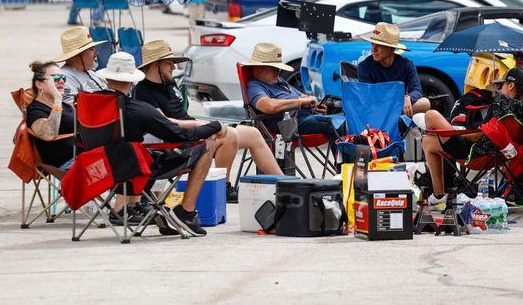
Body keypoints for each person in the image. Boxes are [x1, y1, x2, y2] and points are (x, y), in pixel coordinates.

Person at [133, 39, 283, 204]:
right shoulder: (143, 91)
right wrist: (201, 125)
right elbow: (163, 123)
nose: (174, 67)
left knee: (253, 134)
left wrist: (201, 124)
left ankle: (283, 185)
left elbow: (181, 115)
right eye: (169, 63)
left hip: (192, 129)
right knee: (229, 134)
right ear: (155, 65)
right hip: (176, 139)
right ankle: (223, 187)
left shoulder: (168, 82)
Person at [98, 52, 224, 237]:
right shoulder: (137, 109)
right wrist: (215, 126)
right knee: (206, 145)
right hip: (133, 170)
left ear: (108, 77)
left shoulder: (87, 103)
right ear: (131, 79)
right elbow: (177, 134)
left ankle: (158, 208)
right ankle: (185, 213)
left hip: (97, 168)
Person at [420, 67, 523, 209]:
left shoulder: (502, 106)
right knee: (428, 141)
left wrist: (459, 132)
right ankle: (438, 196)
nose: (499, 89)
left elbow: (481, 135)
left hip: (473, 154)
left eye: (502, 85)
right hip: (496, 153)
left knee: (431, 115)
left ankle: (439, 195)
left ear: (511, 85)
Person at [245, 42, 343, 144]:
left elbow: (302, 96)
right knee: (335, 124)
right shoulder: (255, 86)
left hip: (303, 118)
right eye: (274, 68)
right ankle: (346, 159)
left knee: (343, 119)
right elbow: (268, 106)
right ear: (258, 67)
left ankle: (348, 156)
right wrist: (300, 102)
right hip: (288, 124)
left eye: (278, 68)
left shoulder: (277, 80)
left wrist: (315, 104)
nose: (278, 72)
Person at [356, 23, 431, 115]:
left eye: (379, 45)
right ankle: (397, 120)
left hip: (399, 107)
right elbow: (368, 97)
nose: (374, 49)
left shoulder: (406, 64)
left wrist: (408, 98)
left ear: (391, 48)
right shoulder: (364, 66)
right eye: (372, 44)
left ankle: (396, 120)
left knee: (425, 103)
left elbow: (417, 90)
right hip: (377, 108)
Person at [25, 61, 75, 170]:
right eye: (56, 78)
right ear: (39, 84)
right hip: (68, 164)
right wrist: (57, 99)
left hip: (85, 156)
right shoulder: (36, 109)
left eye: (63, 77)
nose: (61, 81)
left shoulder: (66, 106)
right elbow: (48, 134)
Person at [54, 26, 108, 103]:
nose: (96, 53)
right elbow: (70, 110)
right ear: (77, 55)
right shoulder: (62, 77)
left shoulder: (91, 72)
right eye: (91, 49)